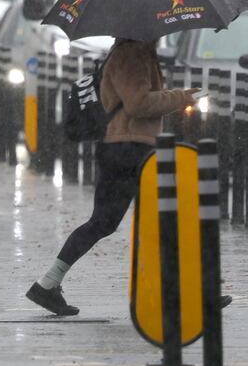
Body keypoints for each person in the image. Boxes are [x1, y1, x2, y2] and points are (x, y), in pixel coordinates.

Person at [26, 37, 199, 316]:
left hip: (126, 148)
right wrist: (179, 97)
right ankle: (189, 292)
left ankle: (48, 283)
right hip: (129, 150)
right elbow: (137, 104)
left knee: (110, 223)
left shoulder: (135, 51)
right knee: (138, 219)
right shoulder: (131, 53)